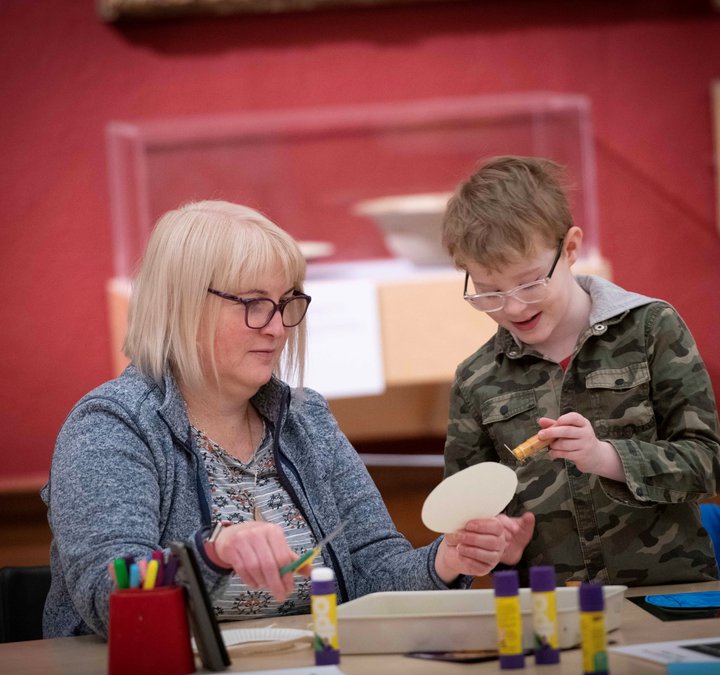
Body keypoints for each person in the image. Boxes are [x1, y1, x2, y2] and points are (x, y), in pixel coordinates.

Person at [42, 200, 534, 639]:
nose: (277, 328)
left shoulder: (307, 420)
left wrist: (446, 560)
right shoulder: (112, 425)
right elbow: (110, 598)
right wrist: (210, 554)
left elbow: (373, 570)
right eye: (254, 304)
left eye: (285, 304)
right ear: (182, 308)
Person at [440, 156, 720, 587]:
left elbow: (707, 462)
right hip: (548, 611)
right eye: (489, 293)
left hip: (666, 596)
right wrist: (498, 550)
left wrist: (605, 457)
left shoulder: (651, 328)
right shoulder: (476, 378)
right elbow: (466, 515)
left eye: (530, 282)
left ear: (569, 249)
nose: (514, 307)